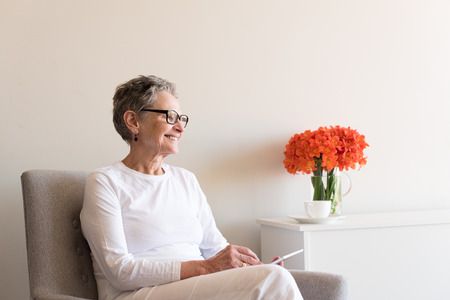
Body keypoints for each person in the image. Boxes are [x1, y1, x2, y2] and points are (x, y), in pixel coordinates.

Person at [80, 75, 303, 300]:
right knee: (274, 280)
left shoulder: (185, 179)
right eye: (170, 117)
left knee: (271, 276)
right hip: (135, 294)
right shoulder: (105, 182)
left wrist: (250, 269)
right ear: (133, 122)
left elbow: (216, 249)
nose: (179, 127)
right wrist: (205, 268)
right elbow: (119, 270)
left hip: (195, 287)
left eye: (181, 119)